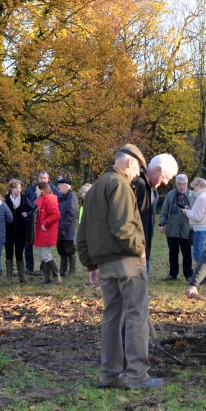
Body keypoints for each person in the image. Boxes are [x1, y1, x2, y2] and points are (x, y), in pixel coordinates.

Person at [78, 145, 162, 389]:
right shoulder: (120, 185)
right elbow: (123, 228)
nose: (138, 174)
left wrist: (90, 263)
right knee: (137, 315)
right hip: (128, 262)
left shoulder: (93, 190)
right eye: (138, 167)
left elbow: (82, 234)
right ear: (129, 163)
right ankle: (137, 375)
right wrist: (140, 249)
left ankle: (109, 375)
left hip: (104, 266)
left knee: (112, 317)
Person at [130, 150, 179, 263]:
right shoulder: (138, 185)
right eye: (166, 177)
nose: (166, 183)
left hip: (142, 251)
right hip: (134, 253)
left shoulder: (151, 190)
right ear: (157, 170)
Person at [158, 174, 193, 281]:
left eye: (184, 184)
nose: (182, 186)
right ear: (176, 184)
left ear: (187, 183)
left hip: (187, 230)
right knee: (173, 253)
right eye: (179, 184)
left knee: (187, 254)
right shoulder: (170, 195)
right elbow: (164, 211)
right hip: (172, 230)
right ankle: (173, 274)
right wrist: (162, 224)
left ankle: (189, 275)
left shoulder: (193, 196)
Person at [22, 170, 50, 276]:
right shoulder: (30, 190)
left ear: (48, 179)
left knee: (43, 248)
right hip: (30, 224)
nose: (42, 180)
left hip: (43, 225)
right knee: (28, 246)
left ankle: (44, 269)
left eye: (45, 178)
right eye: (41, 178)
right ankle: (29, 267)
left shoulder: (53, 190)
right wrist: (28, 215)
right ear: (38, 178)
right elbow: (26, 206)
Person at [183, 177, 206, 273]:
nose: (193, 189)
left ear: (199, 186)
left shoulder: (201, 198)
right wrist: (190, 210)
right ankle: (204, 277)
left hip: (200, 229)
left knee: (197, 255)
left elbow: (197, 216)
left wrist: (186, 212)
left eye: (194, 187)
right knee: (202, 254)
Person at [3, 179, 30, 283]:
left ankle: (22, 277)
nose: (18, 190)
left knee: (19, 253)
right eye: (16, 188)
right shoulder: (5, 200)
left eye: (19, 188)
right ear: (10, 189)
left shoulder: (23, 198)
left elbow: (33, 208)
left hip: (21, 230)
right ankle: (9, 278)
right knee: (9, 253)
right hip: (8, 230)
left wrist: (27, 214)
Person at [33, 182, 61, 284]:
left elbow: (56, 214)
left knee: (46, 255)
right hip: (41, 232)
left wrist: (45, 223)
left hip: (46, 232)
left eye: (37, 189)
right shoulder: (43, 199)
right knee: (42, 255)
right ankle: (47, 278)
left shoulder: (49, 199)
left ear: (42, 190)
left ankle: (57, 277)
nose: (35, 191)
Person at [55, 177, 79, 278]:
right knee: (61, 250)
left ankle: (72, 271)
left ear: (66, 186)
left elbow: (72, 214)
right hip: (60, 228)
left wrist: (62, 226)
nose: (58, 187)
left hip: (67, 229)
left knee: (69, 250)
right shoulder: (61, 196)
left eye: (60, 185)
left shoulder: (72, 196)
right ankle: (63, 270)